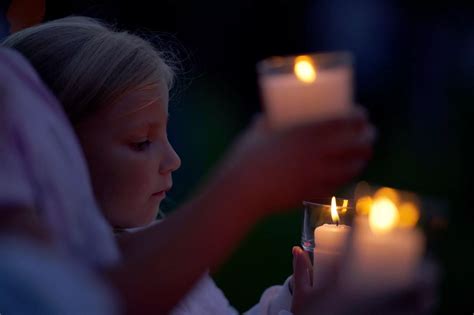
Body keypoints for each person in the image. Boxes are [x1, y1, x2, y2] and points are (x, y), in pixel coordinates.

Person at [1, 17, 375, 314]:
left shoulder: (163, 251)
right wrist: (248, 186)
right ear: (57, 153)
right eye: (142, 142)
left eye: (165, 135)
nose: (173, 160)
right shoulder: (49, 283)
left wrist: (291, 303)